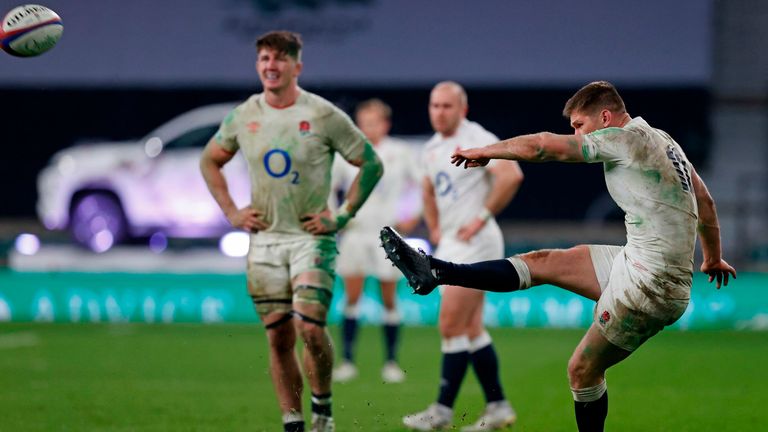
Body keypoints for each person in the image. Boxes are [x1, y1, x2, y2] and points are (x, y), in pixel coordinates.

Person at [380, 81, 736, 432]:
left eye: (580, 126)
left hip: (652, 284)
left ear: (606, 117)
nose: (578, 134)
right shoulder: (664, 140)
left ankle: (437, 274)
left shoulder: (623, 138)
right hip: (638, 262)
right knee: (543, 261)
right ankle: (435, 270)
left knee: (581, 371)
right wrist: (712, 258)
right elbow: (704, 199)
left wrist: (488, 151)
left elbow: (542, 147)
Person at [199, 31, 383, 432]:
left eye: (280, 59)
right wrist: (232, 211)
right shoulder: (244, 115)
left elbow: (370, 163)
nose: (271, 65)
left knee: (310, 326)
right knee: (279, 338)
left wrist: (342, 215)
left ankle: (323, 411)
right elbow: (210, 161)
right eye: (264, 58)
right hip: (264, 242)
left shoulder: (322, 114)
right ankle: (294, 423)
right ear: (257, 65)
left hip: (311, 240)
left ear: (297, 67)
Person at [400, 81, 524, 431]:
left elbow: (511, 174)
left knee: (450, 324)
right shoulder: (431, 148)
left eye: (447, 106)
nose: (439, 112)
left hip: (477, 242)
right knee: (470, 328)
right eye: (434, 106)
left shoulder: (477, 138)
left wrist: (481, 217)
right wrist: (435, 228)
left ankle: (441, 411)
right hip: (453, 243)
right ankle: (498, 406)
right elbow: (427, 189)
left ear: (462, 109)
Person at [331, 99, 421, 384]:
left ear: (385, 124)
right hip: (356, 234)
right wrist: (337, 218)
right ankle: (346, 361)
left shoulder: (399, 152)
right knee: (352, 297)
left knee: (389, 299)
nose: (368, 127)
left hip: (387, 235)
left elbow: (421, 184)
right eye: (363, 121)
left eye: (373, 121)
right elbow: (328, 188)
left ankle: (391, 362)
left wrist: (413, 215)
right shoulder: (347, 151)